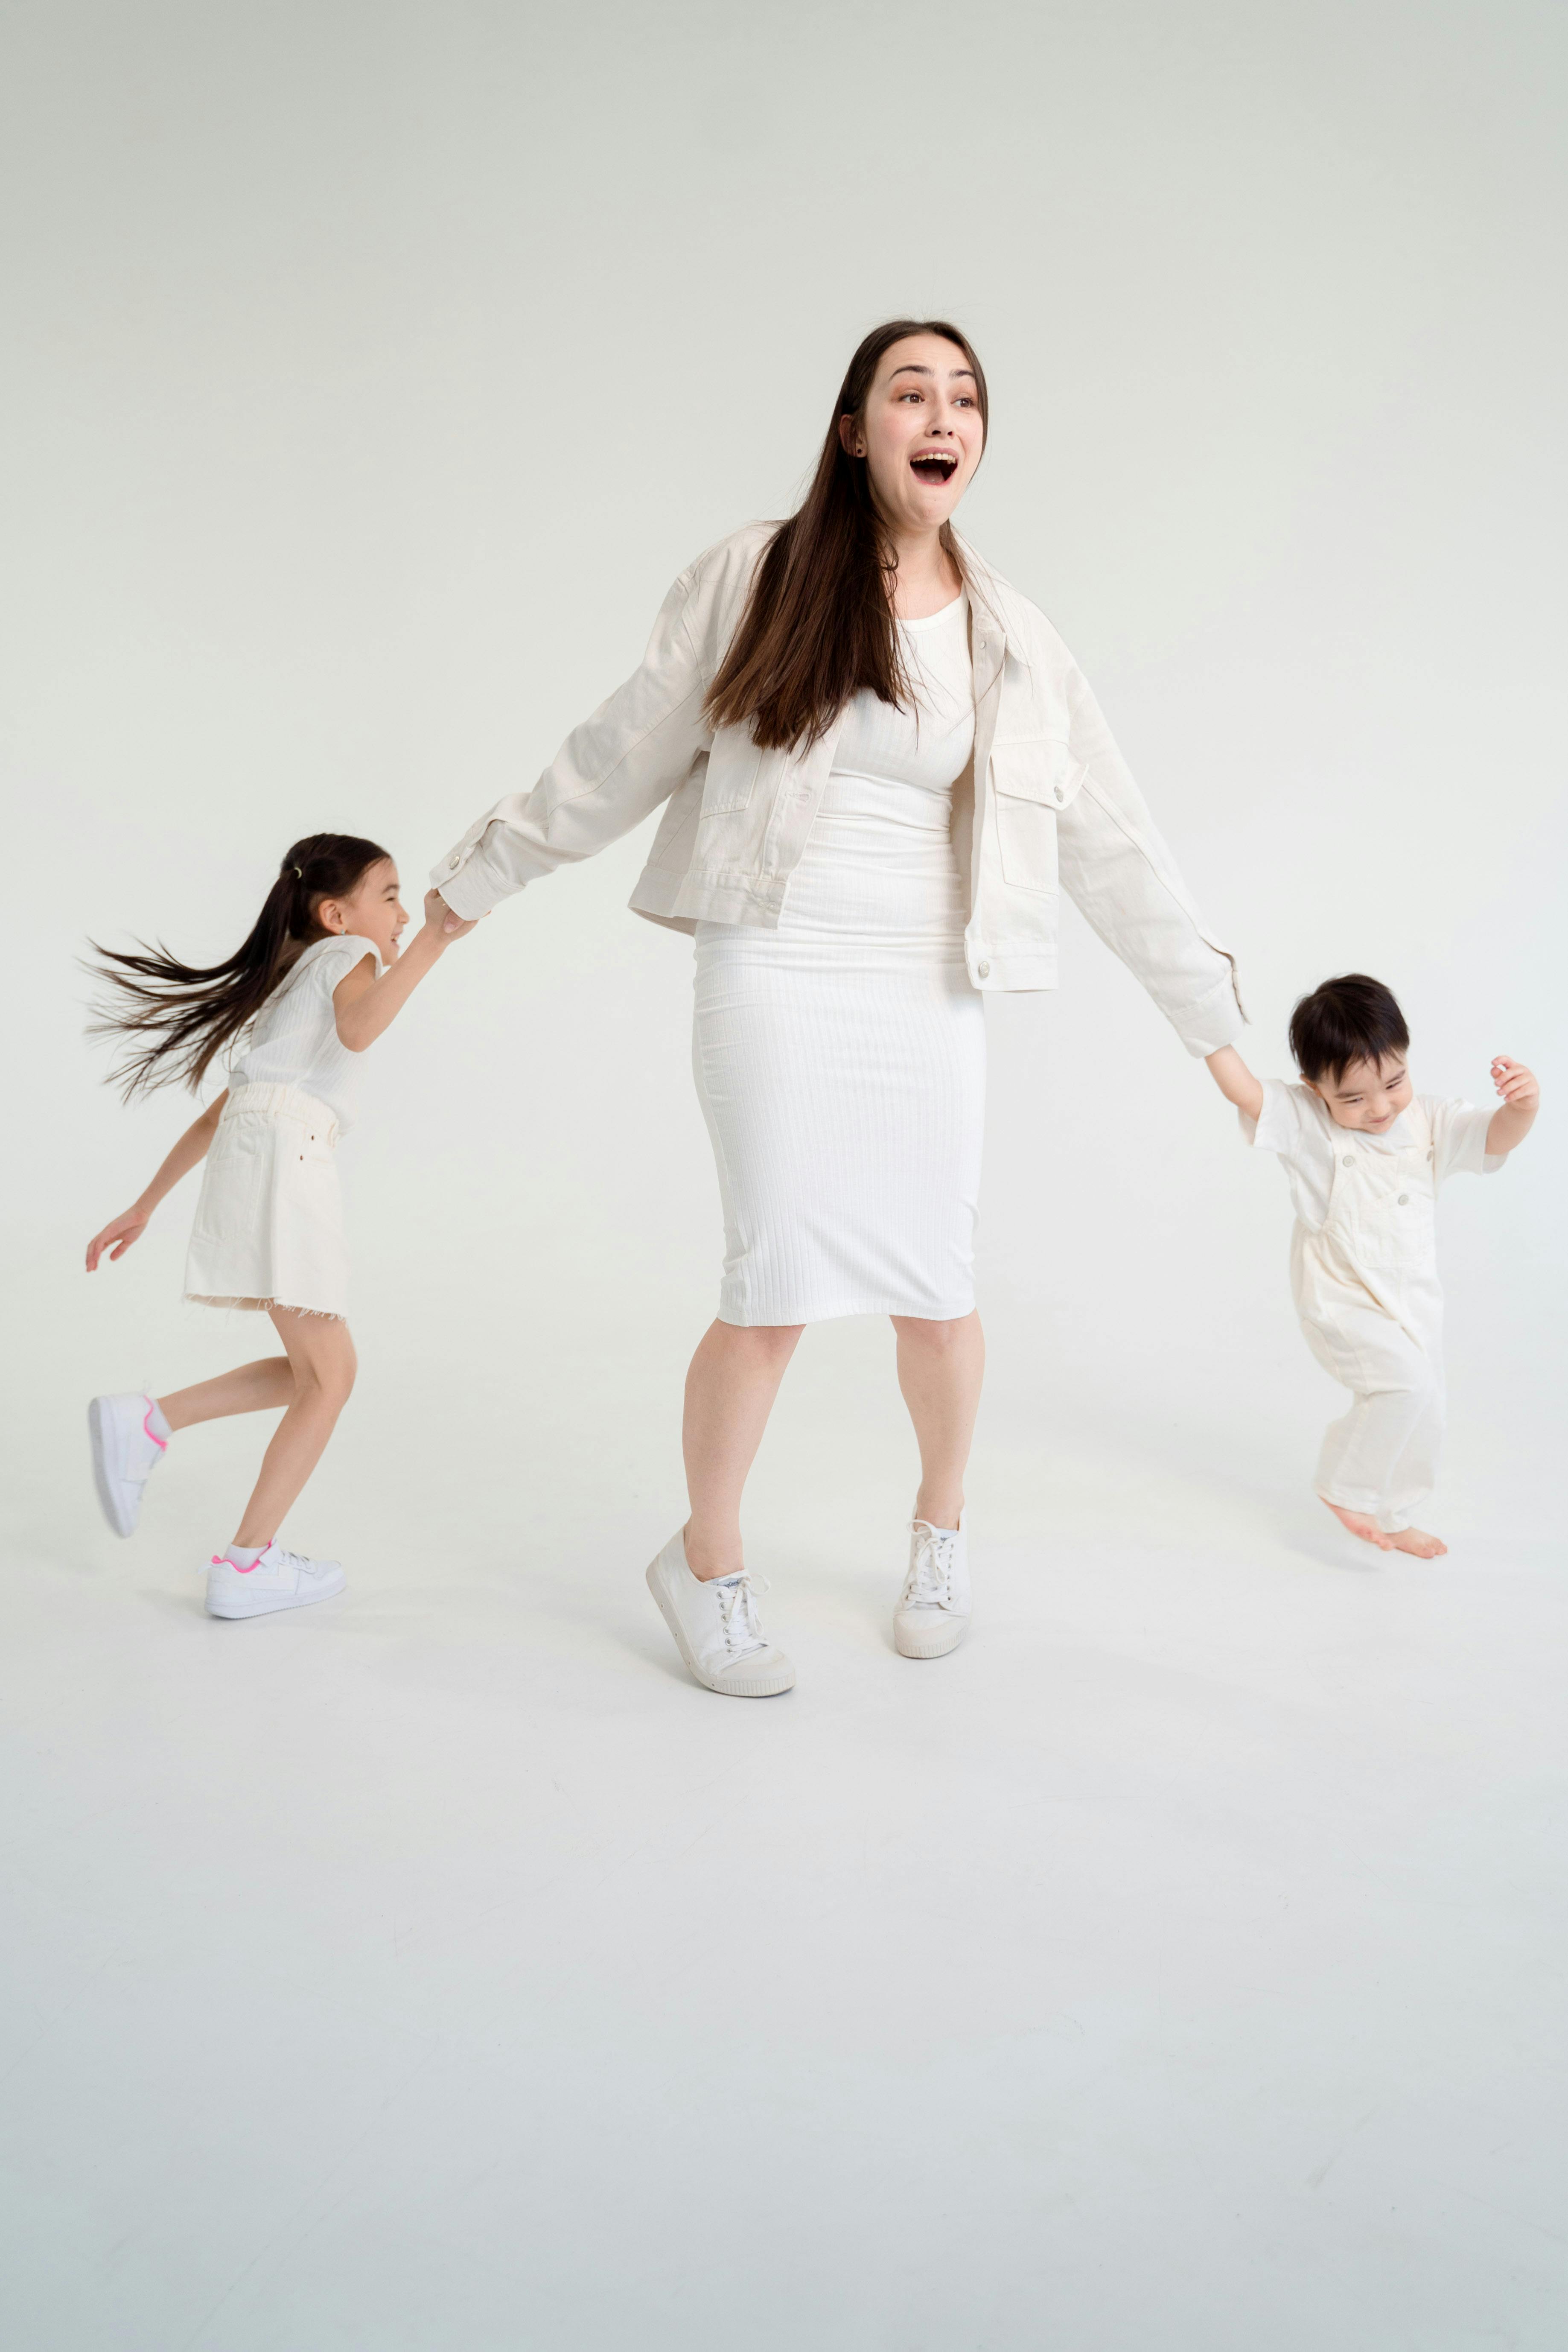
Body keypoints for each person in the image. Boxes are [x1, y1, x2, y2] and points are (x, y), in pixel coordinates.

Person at [433, 317, 1245, 1696]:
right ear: (852, 426)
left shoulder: (1013, 637)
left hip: (931, 984)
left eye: (965, 397)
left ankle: (940, 1534)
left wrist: (1216, 1040)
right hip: (772, 965)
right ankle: (706, 1562)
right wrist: (460, 896)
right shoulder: (758, 575)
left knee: (936, 1289)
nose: (942, 415)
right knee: (774, 1287)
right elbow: (619, 751)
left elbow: (1113, 842)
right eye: (909, 392)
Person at [84, 835, 478, 1617]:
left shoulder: (292, 986)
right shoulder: (340, 961)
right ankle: (246, 1562)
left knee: (318, 1373)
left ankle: (152, 1423)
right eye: (390, 894)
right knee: (331, 1377)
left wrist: (145, 1204)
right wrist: (436, 937)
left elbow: (222, 1115)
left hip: (258, 1155)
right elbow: (363, 1031)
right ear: (337, 914)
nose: (402, 911)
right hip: (289, 1158)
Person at [1205, 973, 1539, 1556]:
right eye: (1353, 1098)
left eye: (1393, 1082)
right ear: (1315, 1089)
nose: (1379, 1107)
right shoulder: (1307, 1123)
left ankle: (1397, 1511)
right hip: (1341, 1297)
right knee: (1401, 1385)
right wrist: (1203, 1022)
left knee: (1427, 1404)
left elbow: (1493, 1138)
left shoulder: (1427, 1122)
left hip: (1412, 1297)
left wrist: (1523, 1106)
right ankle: (1345, 1488)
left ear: (1406, 1059)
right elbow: (1244, 1092)